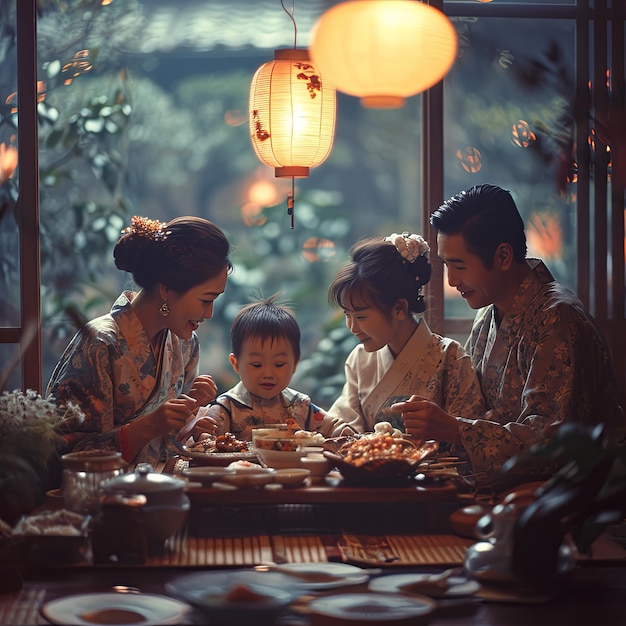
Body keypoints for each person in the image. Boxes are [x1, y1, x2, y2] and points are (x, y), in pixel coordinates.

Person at [397, 184, 624, 486]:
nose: (452, 281)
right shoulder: (486, 316)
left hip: (572, 506)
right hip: (501, 493)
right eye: (446, 265)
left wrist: (454, 429)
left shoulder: (559, 319)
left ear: (503, 255)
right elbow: (474, 409)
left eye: (460, 265)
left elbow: (553, 447)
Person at [47, 215, 232, 467]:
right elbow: (61, 453)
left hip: (164, 487)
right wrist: (147, 426)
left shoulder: (185, 344)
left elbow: (174, 443)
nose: (209, 313)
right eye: (205, 300)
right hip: (102, 497)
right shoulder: (100, 343)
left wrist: (194, 419)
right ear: (166, 288)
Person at [324, 232, 487, 436]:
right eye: (348, 315)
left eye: (361, 317)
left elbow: (471, 437)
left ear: (399, 308)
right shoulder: (360, 360)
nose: (352, 327)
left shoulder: (451, 359)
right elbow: (344, 426)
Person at [178, 294, 347, 442]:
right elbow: (206, 435)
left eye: (279, 364)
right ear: (236, 364)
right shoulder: (227, 407)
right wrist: (203, 433)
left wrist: (345, 433)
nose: (268, 373)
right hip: (242, 475)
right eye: (257, 365)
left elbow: (332, 426)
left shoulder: (300, 405)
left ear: (295, 364)